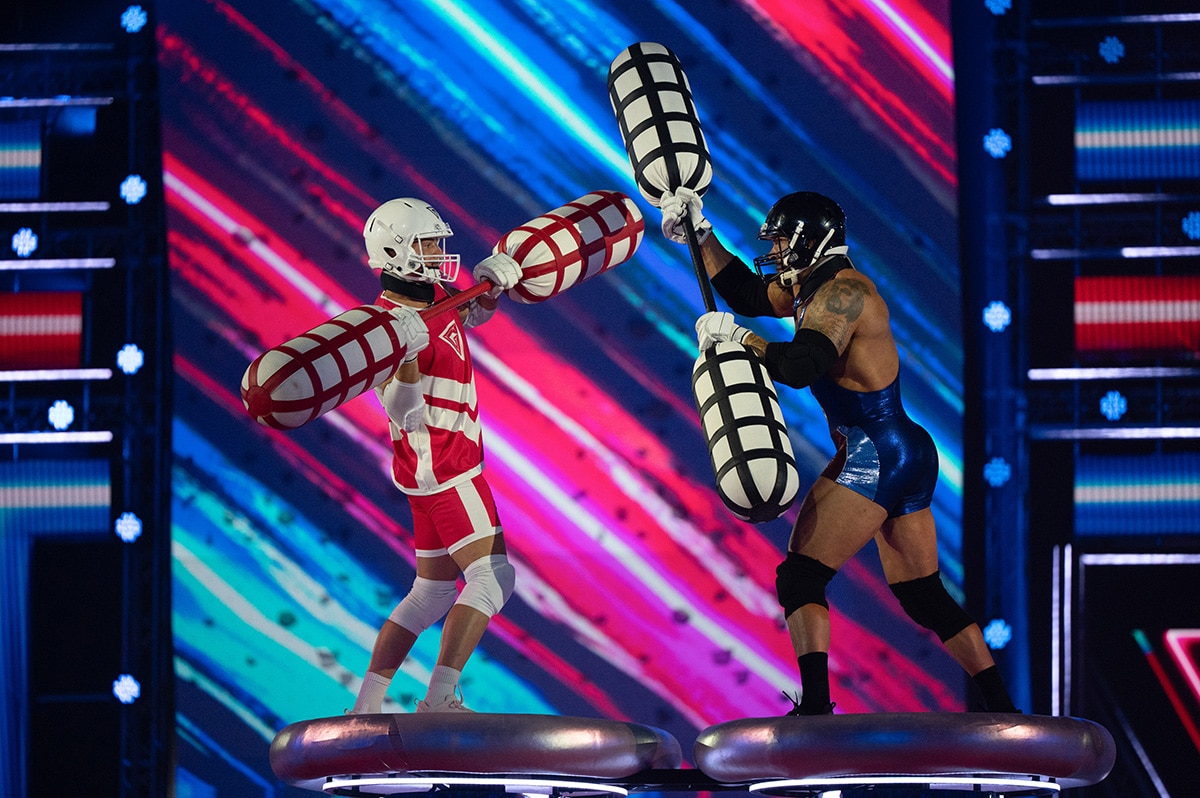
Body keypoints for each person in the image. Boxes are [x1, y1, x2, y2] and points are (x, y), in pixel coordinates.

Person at [660, 187, 1018, 715]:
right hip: (901, 448)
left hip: (876, 452)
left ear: (809, 241)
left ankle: (816, 708)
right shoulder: (815, 286)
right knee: (922, 594)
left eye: (781, 243)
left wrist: (740, 339)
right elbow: (750, 294)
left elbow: (799, 366)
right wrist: (702, 233)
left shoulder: (843, 293)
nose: (775, 253)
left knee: (800, 576)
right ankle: (1005, 710)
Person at [348, 197, 522, 714]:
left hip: (427, 471)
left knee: (432, 593)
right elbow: (401, 410)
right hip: (447, 466)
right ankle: (440, 698)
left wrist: (492, 290)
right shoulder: (382, 326)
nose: (437, 254)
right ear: (395, 252)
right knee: (493, 576)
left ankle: (366, 705)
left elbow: (466, 318)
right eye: (426, 244)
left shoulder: (434, 295)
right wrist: (404, 356)